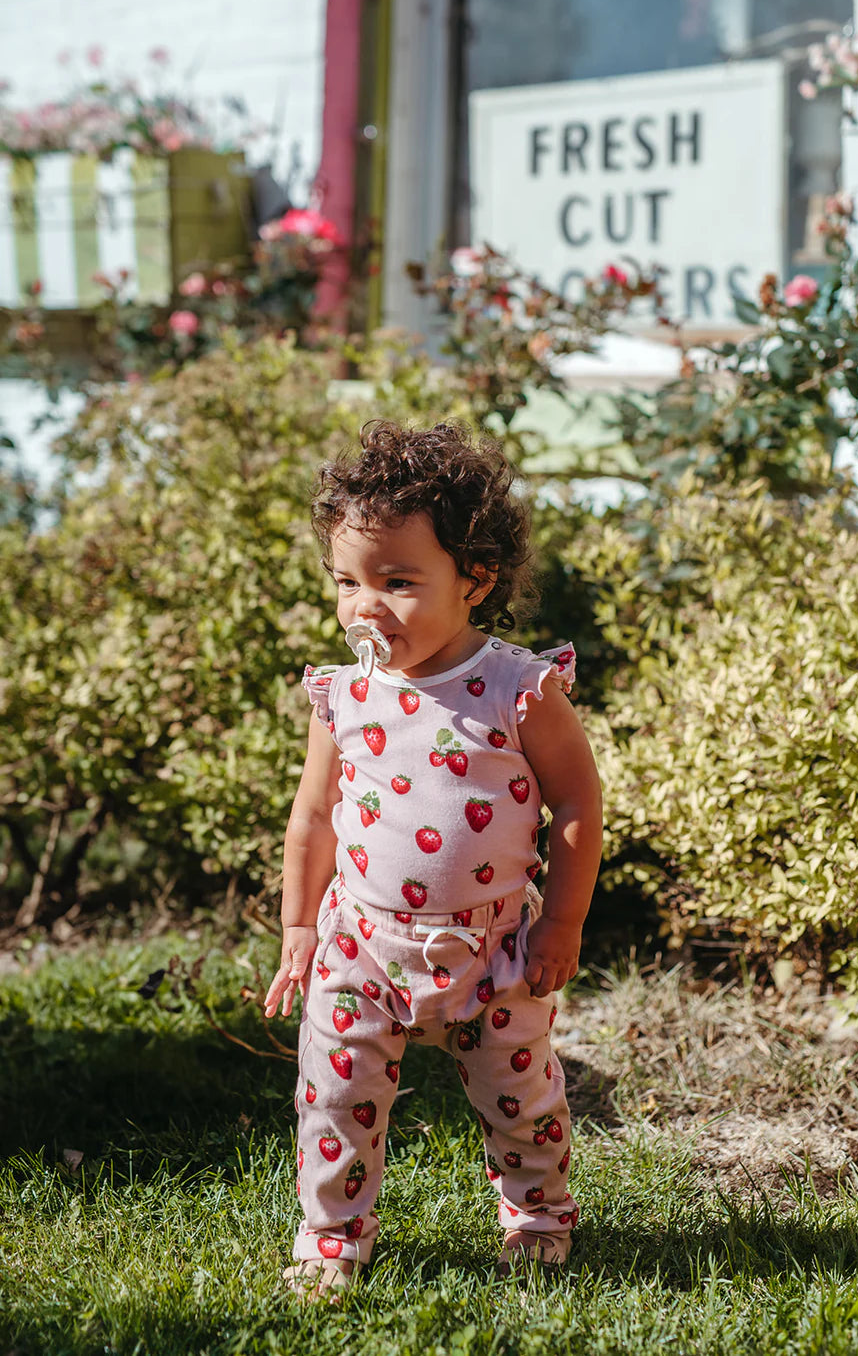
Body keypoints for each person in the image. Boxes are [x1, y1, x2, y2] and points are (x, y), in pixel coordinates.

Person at [264, 420, 603, 1300]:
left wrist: (560, 922)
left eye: (398, 582)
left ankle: (537, 1216)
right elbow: (313, 817)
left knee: (520, 1097)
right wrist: (301, 925)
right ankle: (333, 1237)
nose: (364, 606)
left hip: (493, 947)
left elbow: (577, 801)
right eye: (347, 581)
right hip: (362, 943)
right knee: (333, 1099)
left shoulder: (516, 688)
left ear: (475, 579)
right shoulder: (343, 697)